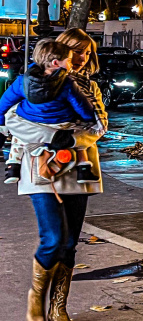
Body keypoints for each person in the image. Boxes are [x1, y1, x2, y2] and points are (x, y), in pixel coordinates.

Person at [3, 31, 106, 321]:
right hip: (40, 169)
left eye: (86, 52)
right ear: (58, 54)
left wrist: (63, 139)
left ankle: (58, 305)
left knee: (70, 241)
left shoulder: (89, 88)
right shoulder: (33, 83)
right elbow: (12, 122)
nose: (81, 58)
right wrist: (59, 134)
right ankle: (35, 298)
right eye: (75, 51)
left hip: (79, 169)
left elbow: (97, 129)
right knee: (53, 237)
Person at [1, 40, 99, 185]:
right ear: (55, 63)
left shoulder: (22, 81)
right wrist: (89, 118)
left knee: (18, 135)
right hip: (61, 124)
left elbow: (5, 102)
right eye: (69, 61)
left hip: (30, 122)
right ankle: (83, 169)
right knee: (82, 140)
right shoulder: (67, 83)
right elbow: (80, 104)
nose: (72, 64)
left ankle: (13, 167)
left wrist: (1, 121)